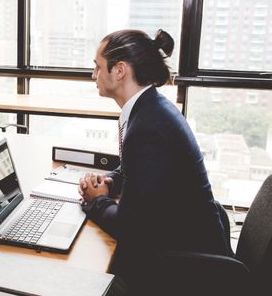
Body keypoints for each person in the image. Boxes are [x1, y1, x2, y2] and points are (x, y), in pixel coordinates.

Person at [78, 29, 230, 290]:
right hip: (185, 240)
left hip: (187, 270)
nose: (94, 75)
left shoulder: (147, 127)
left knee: (86, 278)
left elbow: (131, 228)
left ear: (120, 70)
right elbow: (136, 170)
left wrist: (95, 201)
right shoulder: (151, 108)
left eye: (98, 67)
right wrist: (109, 182)